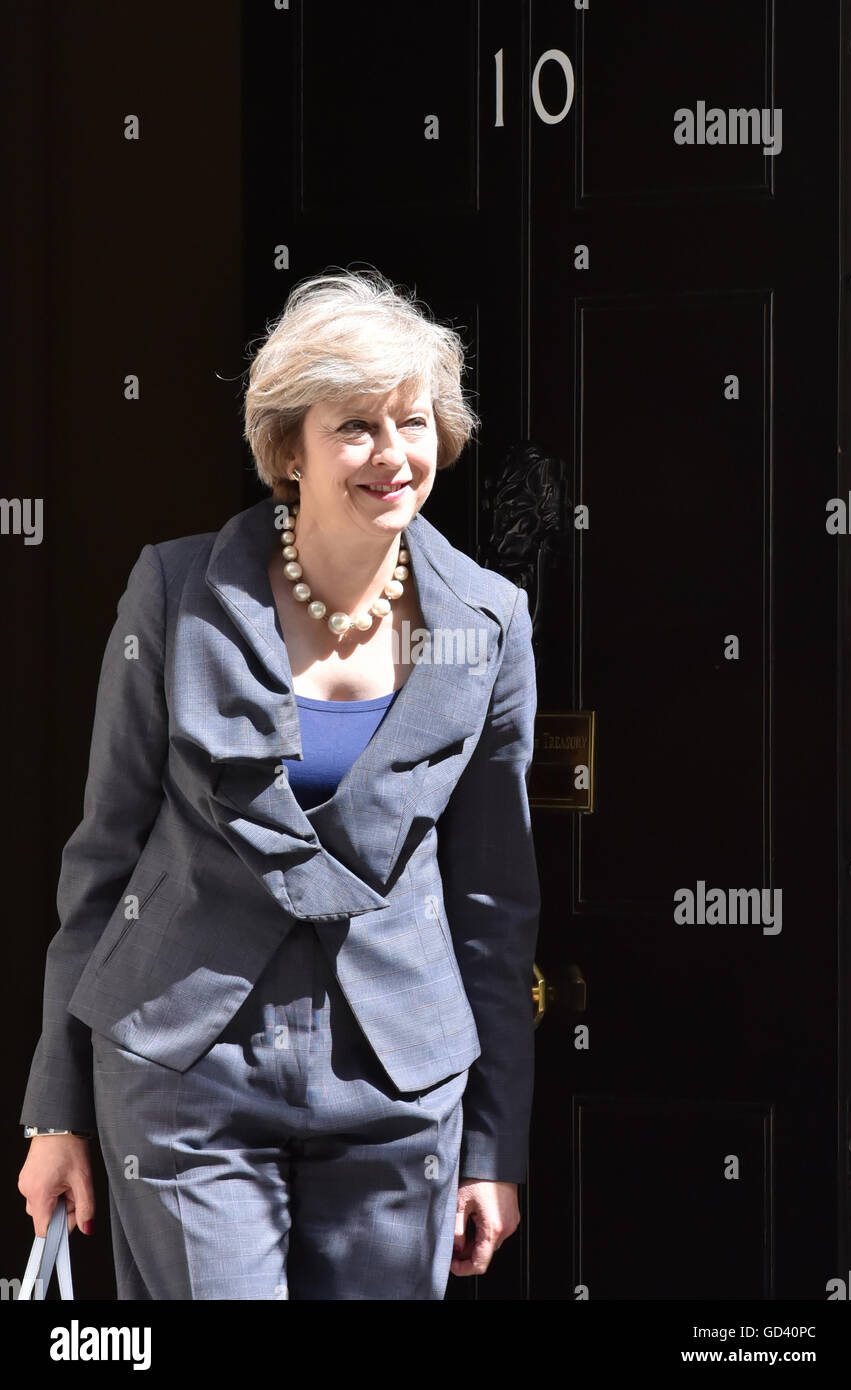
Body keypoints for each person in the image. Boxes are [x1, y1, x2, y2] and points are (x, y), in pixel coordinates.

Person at [17, 267, 541, 1300]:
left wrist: (492, 1142)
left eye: (414, 421)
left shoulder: (487, 623)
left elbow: (491, 902)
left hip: (397, 1084)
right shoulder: (173, 594)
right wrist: (55, 1108)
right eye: (356, 427)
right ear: (285, 451)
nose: (395, 456)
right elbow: (103, 859)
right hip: (182, 1069)